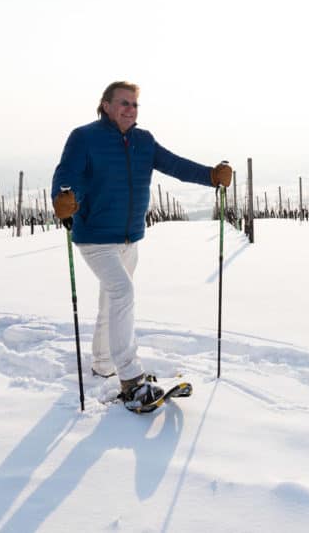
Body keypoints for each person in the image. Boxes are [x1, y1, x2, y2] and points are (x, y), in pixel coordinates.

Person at [52, 80, 232, 408]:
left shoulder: (143, 141)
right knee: (123, 293)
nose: (130, 109)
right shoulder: (85, 137)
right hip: (95, 237)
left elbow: (175, 165)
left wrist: (210, 176)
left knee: (112, 301)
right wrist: (64, 198)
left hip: (129, 238)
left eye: (134, 104)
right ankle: (130, 378)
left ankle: (103, 365)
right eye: (123, 103)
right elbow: (68, 175)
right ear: (105, 105)